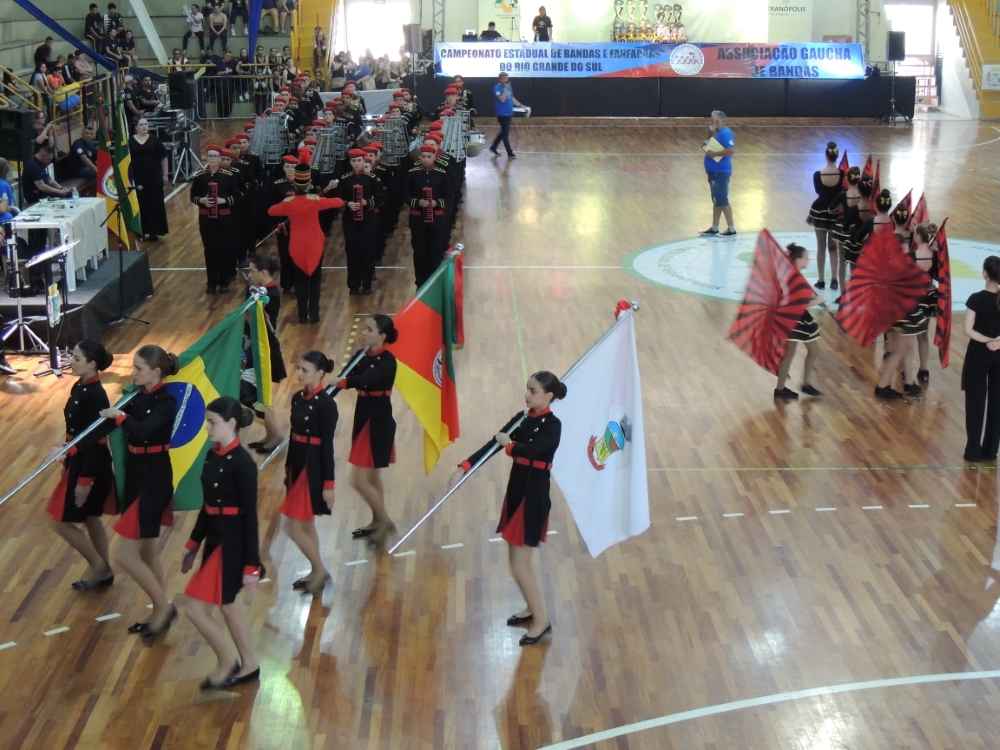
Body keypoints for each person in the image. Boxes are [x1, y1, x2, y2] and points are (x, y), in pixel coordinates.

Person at [448, 371, 566, 645]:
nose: (526, 395)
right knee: (518, 562)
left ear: (548, 396)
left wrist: (510, 445)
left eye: (533, 391)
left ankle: (541, 621)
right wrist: (464, 467)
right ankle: (532, 608)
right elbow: (494, 443)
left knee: (519, 564)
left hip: (533, 497)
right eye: (527, 388)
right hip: (516, 492)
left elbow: (532, 450)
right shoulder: (522, 418)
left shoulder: (553, 425)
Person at [98, 345, 179, 638]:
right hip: (137, 477)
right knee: (147, 550)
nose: (132, 373)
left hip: (154, 480)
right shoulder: (137, 396)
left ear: (156, 372)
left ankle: (164, 607)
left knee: (121, 554)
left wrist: (120, 416)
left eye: (138, 368)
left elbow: (143, 430)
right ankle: (159, 610)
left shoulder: (166, 401)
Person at [180, 396, 262, 689]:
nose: (207, 428)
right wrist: (193, 542)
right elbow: (208, 506)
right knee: (228, 607)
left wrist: (252, 566)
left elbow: (250, 518)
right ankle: (249, 664)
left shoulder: (243, 464)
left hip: (232, 545)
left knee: (195, 607)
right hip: (215, 541)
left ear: (231, 423)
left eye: (212, 422)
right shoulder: (212, 455)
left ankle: (228, 662)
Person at [47, 340, 116, 591]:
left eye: (77, 358)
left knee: (60, 522)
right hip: (79, 460)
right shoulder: (81, 386)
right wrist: (65, 456)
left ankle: (99, 567)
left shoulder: (95, 395)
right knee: (90, 517)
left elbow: (94, 441)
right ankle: (104, 571)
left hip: (90, 465)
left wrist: (84, 481)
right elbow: (77, 433)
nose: (71, 361)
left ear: (92, 364)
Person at [279, 350, 338, 596]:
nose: (299, 373)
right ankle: (316, 571)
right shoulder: (297, 398)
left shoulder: (327, 405)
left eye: (305, 370)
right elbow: (294, 436)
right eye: (299, 368)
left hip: (312, 470)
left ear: (320, 373)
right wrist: (288, 468)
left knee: (292, 527)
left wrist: (329, 484)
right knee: (306, 523)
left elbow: (327, 447)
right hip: (297, 465)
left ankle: (320, 570)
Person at [339, 315, 398, 546]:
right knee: (372, 477)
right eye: (364, 328)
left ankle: (384, 521)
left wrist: (345, 383)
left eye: (370, 330)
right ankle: (378, 520)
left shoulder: (388, 361)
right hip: (363, 416)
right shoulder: (361, 355)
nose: (364, 332)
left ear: (381, 336)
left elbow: (366, 379)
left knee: (358, 480)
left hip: (378, 420)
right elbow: (347, 374)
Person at [267, 161, 344, 323]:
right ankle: (314, 314)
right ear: (309, 185)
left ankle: (302, 315)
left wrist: (287, 202)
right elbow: (338, 202)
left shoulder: (288, 202)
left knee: (300, 280)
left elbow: (271, 211)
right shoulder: (315, 200)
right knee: (315, 280)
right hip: (315, 244)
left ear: (295, 185)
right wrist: (317, 197)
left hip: (297, 245)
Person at [242, 255, 287, 452]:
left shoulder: (271, 294)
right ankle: (271, 434)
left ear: (263, 272)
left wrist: (256, 298)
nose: (249, 274)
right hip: (251, 348)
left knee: (254, 393)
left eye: (252, 271)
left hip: (262, 350)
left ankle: (276, 434)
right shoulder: (256, 289)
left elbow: (261, 319)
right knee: (259, 394)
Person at [190, 144, 243, 293]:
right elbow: (193, 195)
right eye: (210, 156)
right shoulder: (200, 176)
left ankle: (224, 281)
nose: (213, 159)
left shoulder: (229, 176)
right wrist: (201, 200)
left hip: (224, 218)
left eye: (215, 156)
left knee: (223, 249)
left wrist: (224, 200)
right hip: (206, 218)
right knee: (209, 249)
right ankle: (211, 282)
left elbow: (238, 195)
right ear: (206, 158)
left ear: (220, 158)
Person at [774, 244, 824, 399]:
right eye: (806, 257)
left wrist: (821, 302)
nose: (808, 260)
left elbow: (808, 291)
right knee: (809, 351)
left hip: (794, 317)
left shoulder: (793, 274)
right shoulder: (793, 277)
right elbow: (799, 304)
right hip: (795, 318)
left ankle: (783, 388)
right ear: (798, 259)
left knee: (792, 353)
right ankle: (802, 385)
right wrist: (817, 302)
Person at [964, 256, 1000, 461]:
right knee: (997, 402)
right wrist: (998, 342)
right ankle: (991, 450)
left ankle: (973, 451)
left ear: (985, 273)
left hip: (978, 354)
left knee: (975, 403)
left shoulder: (976, 298)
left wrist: (989, 341)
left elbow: (968, 330)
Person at [403, 145, 453, 288]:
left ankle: (434, 282)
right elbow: (405, 195)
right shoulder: (412, 174)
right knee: (419, 251)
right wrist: (417, 202)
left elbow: (448, 196)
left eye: (429, 157)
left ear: (434, 157)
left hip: (436, 220)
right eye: (423, 156)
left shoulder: (441, 174)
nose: (426, 159)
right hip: (418, 220)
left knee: (435, 251)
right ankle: (420, 283)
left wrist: (437, 203)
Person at [337, 148, 384, 295]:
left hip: (368, 219)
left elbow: (381, 197)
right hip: (350, 220)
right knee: (352, 251)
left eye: (359, 160)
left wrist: (367, 202)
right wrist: (347, 204)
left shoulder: (372, 178)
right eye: (354, 161)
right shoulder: (345, 179)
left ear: (364, 161)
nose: (357, 163)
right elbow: (338, 198)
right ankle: (353, 284)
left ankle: (367, 283)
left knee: (367, 251)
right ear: (350, 162)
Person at [808, 142, 843, 291]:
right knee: (833, 247)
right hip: (836, 213)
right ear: (837, 156)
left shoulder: (817, 175)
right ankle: (834, 280)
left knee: (820, 247)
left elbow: (818, 191)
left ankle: (821, 280)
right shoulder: (842, 174)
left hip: (820, 211)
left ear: (825, 156)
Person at [130, 117, 170, 242]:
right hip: (138, 178)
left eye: (146, 124)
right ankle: (140, 230)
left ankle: (154, 231)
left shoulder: (155, 140)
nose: (144, 126)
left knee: (154, 204)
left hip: (154, 177)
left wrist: (165, 175)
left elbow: (163, 158)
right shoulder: (130, 141)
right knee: (140, 203)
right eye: (141, 124)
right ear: (136, 127)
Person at [699, 110, 737, 237]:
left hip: (720, 173)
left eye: (712, 120)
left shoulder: (725, 133)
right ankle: (715, 227)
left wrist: (715, 154)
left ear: (717, 121)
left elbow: (731, 150)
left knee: (722, 200)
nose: (711, 122)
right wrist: (709, 134)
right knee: (717, 200)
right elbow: (705, 145)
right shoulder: (718, 134)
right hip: (714, 173)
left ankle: (731, 229)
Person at [913, 222, 940, 383]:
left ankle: (905, 370)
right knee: (923, 335)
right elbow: (938, 276)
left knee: (908, 335)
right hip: (929, 297)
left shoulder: (911, 257)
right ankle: (924, 370)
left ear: (918, 237)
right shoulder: (935, 256)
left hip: (914, 298)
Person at [489, 72, 522, 159]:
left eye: (506, 78)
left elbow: (511, 97)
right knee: (505, 134)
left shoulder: (509, 87)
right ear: (499, 79)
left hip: (509, 112)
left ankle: (493, 147)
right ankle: (509, 152)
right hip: (502, 114)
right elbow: (502, 99)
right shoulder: (496, 88)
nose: (504, 80)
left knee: (504, 132)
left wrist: (520, 105)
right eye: (503, 78)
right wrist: (505, 88)